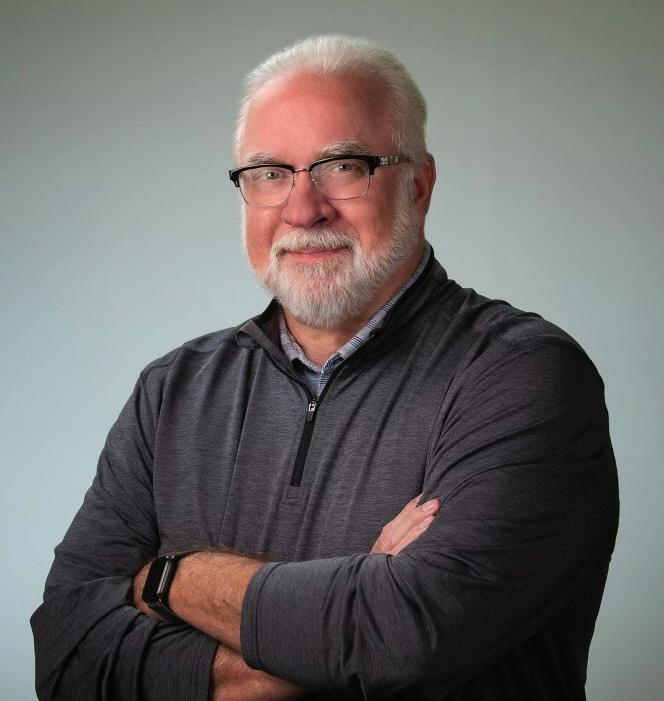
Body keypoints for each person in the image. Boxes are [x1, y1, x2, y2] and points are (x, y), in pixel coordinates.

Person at [31, 35, 619, 700]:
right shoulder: (171, 391)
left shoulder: (521, 375)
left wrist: (171, 578)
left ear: (419, 184)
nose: (303, 209)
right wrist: (346, 615)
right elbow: (66, 659)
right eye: (269, 173)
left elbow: (404, 637)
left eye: (342, 166)